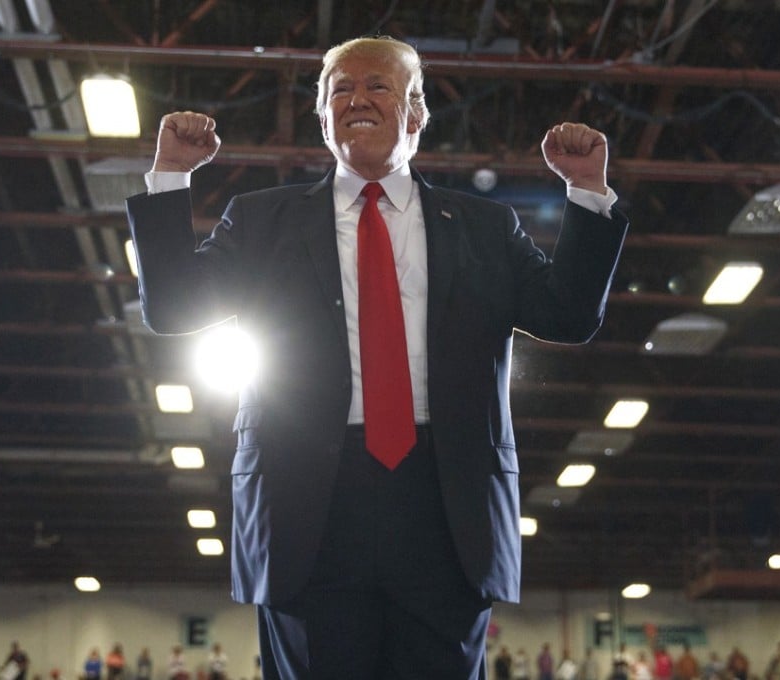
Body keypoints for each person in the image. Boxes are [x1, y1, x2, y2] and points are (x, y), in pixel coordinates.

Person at [127, 35, 627, 680]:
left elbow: (568, 315)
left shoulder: (485, 226)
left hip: (445, 507)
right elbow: (173, 308)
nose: (356, 98)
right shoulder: (261, 221)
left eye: (377, 86)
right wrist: (172, 179)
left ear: (416, 112)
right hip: (309, 508)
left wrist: (587, 193)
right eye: (340, 89)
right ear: (323, 120)